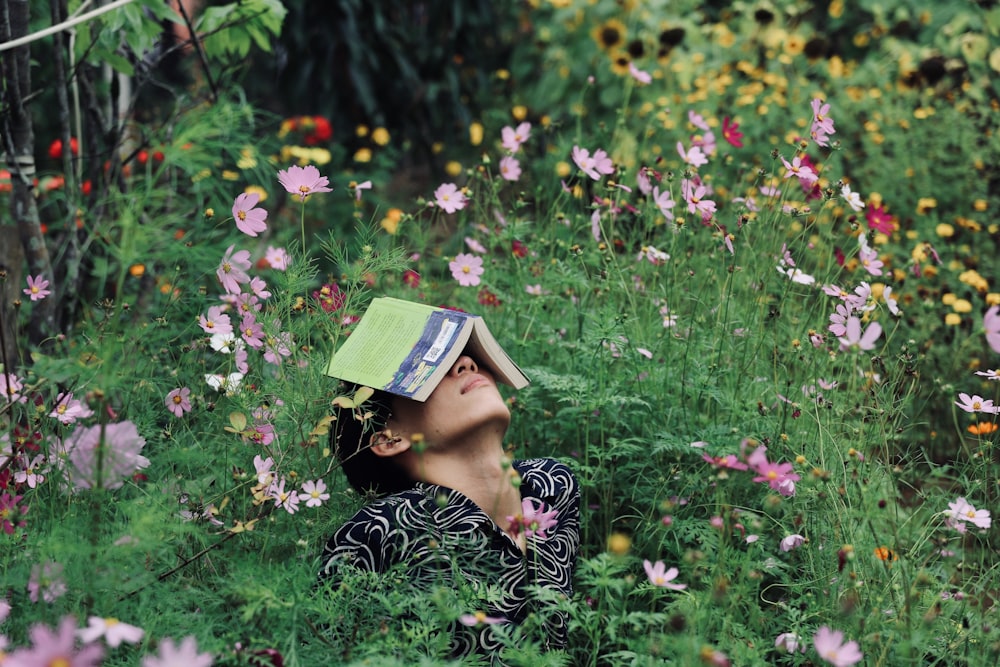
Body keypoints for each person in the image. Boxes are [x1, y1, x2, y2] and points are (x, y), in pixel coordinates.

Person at [318, 351, 580, 660]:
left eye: (465, 352)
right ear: (387, 439)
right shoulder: (381, 530)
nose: (466, 363)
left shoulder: (553, 485)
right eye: (427, 368)